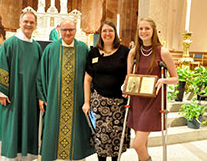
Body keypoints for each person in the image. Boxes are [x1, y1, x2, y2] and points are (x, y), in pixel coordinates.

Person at [0, 11, 42, 160]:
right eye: (26, 21)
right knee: (11, 126)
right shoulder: (10, 44)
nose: (28, 25)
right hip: (12, 96)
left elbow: (40, 74)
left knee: (28, 127)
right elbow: (0, 65)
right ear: (20, 23)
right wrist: (1, 92)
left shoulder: (36, 47)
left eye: (31, 22)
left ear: (35, 25)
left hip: (30, 96)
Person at [37, 19, 95, 161]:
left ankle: (77, 155)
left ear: (75, 30)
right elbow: (41, 74)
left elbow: (90, 75)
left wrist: (89, 98)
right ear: (59, 30)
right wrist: (41, 96)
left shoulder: (83, 49)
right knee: (53, 131)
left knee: (78, 132)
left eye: (70, 30)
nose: (67, 33)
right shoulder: (51, 49)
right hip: (54, 99)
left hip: (77, 99)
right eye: (64, 30)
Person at [125, 18, 178, 161]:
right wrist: (125, 88)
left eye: (147, 28)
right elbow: (129, 76)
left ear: (153, 30)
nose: (143, 32)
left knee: (137, 144)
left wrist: (163, 80)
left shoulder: (163, 52)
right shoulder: (133, 52)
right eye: (141, 29)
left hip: (153, 102)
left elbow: (176, 78)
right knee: (143, 144)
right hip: (137, 100)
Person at [82, 20, 131, 161]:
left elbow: (130, 74)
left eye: (110, 31)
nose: (107, 34)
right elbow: (87, 79)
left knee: (116, 138)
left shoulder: (124, 51)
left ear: (115, 33)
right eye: (104, 31)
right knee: (101, 139)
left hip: (119, 103)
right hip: (99, 101)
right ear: (100, 34)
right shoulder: (93, 52)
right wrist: (86, 102)